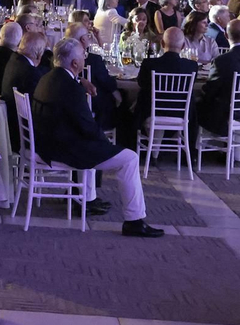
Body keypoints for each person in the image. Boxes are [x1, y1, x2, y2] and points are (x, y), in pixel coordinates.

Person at [29, 38, 163, 237]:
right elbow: (87, 127)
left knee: (101, 145)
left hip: (48, 142)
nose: (85, 58)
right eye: (83, 55)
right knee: (130, 158)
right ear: (75, 64)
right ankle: (134, 221)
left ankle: (88, 199)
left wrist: (81, 80)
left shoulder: (48, 78)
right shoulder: (70, 88)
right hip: (64, 149)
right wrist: (105, 143)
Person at [117, 26, 197, 151]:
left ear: (162, 43)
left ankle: (130, 149)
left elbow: (141, 83)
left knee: (126, 106)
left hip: (151, 112)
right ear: (183, 47)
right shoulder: (192, 66)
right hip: (181, 114)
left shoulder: (150, 64)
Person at [1, 29, 49, 152]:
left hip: (13, 127)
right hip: (26, 136)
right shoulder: (30, 73)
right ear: (39, 55)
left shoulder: (14, 60)